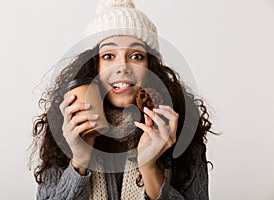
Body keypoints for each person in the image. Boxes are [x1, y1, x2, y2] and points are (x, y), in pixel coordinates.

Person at [30, 0, 216, 199]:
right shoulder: (66, 128)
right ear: (95, 67)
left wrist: (148, 167)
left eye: (136, 56)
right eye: (109, 56)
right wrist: (80, 161)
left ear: (150, 67)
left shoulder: (180, 129)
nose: (122, 67)